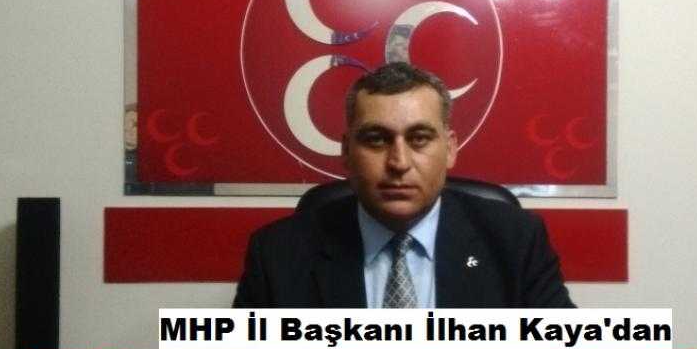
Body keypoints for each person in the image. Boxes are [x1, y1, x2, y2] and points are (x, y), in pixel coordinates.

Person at [234, 62, 574, 310]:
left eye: (419, 138)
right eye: (376, 139)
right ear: (346, 151)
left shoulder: (515, 242)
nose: (398, 162)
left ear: (450, 149)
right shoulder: (279, 253)